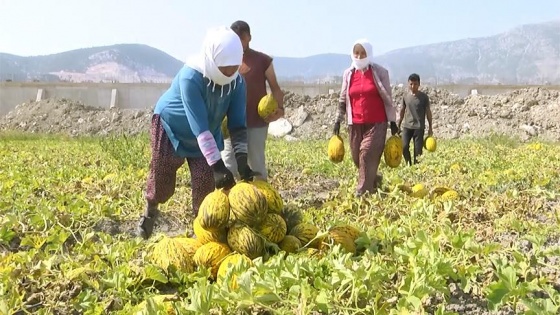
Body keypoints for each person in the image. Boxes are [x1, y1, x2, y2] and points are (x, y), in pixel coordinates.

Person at [137, 26, 257, 240]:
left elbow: (237, 125)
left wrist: (241, 161)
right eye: (224, 67)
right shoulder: (190, 77)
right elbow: (199, 126)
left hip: (206, 135)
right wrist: (219, 165)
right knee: (162, 179)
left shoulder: (237, 82)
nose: (229, 72)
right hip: (172, 127)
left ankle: (202, 234)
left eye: (234, 67)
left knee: (205, 185)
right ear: (212, 60)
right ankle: (150, 212)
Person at [333, 39, 399, 197]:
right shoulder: (348, 74)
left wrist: (393, 121)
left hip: (377, 123)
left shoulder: (380, 72)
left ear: (369, 54)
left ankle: (362, 192)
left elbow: (388, 98)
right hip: (354, 123)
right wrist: (337, 120)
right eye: (357, 53)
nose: (359, 56)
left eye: (363, 53)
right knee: (357, 158)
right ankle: (374, 179)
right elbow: (343, 99)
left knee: (366, 154)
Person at [220, 20, 285, 182]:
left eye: (243, 38)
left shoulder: (263, 60)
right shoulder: (224, 60)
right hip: (231, 124)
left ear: (249, 37)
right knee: (229, 165)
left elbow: (275, 88)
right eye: (236, 38)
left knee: (256, 165)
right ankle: (232, 201)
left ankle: (261, 201)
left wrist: (280, 110)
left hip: (257, 122)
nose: (240, 42)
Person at [397, 73, 433, 166]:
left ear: (419, 84)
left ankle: (416, 169)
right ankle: (409, 164)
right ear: (408, 84)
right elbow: (402, 110)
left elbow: (428, 112)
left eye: (415, 84)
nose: (413, 86)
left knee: (418, 152)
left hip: (419, 127)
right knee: (404, 147)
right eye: (411, 84)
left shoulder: (424, 97)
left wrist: (430, 127)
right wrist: (398, 124)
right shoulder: (405, 96)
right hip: (407, 126)